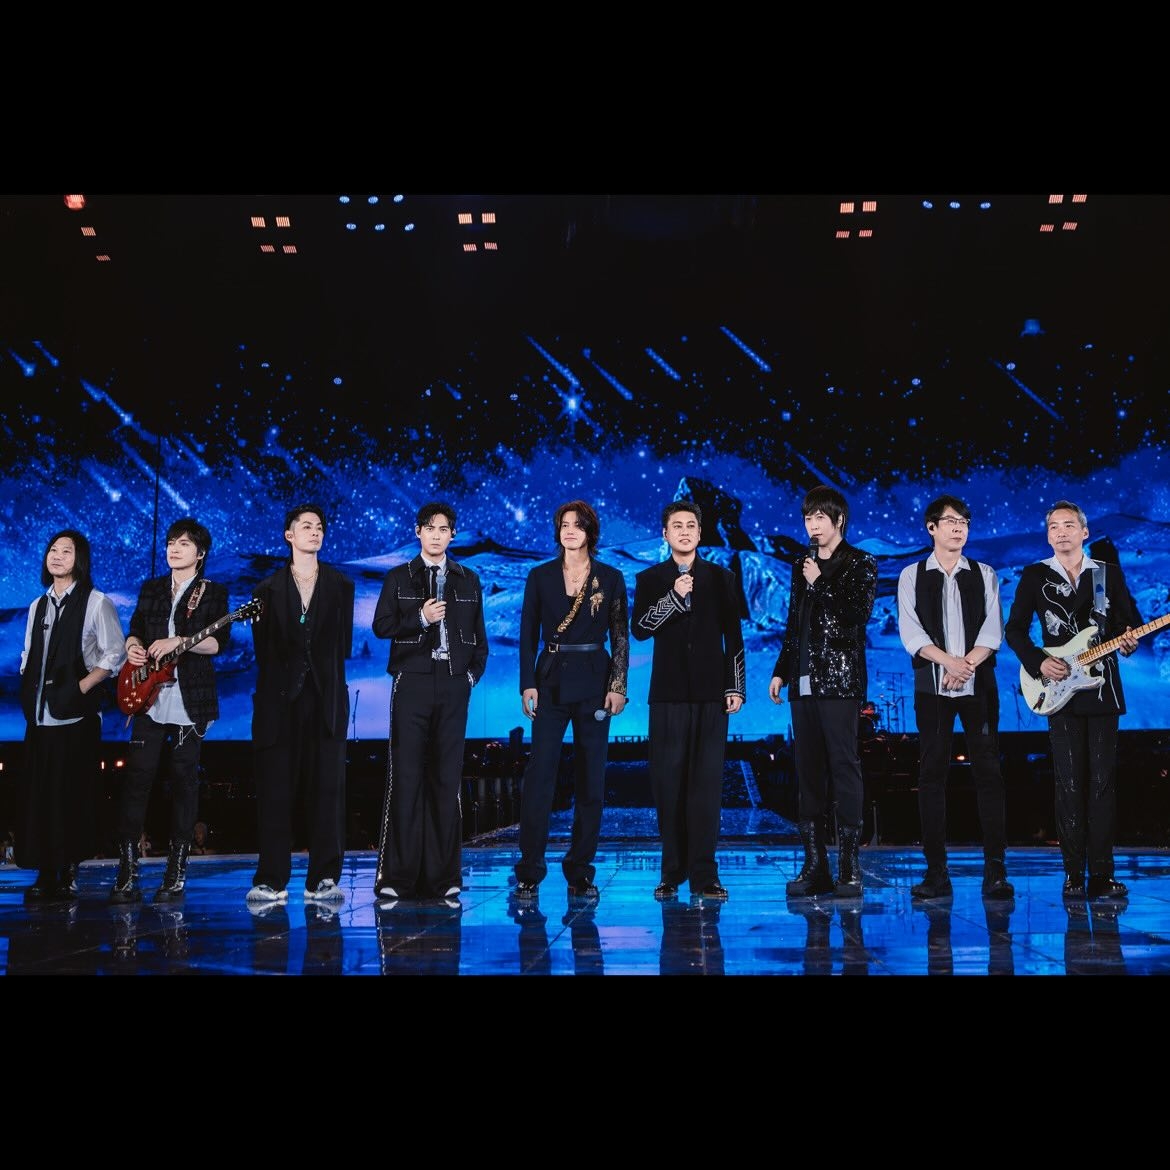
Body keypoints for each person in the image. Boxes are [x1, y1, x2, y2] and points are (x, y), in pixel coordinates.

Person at [1005, 500, 1139, 901]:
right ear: (1048, 536)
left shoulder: (1106, 574)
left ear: (1084, 532)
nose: (1060, 532)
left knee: (1102, 784)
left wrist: (1128, 641)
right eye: (1053, 526)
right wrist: (1039, 662)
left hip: (1102, 689)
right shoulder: (1035, 575)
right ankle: (1073, 875)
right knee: (1068, 785)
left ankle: (1102, 874)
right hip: (1059, 691)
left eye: (1068, 525)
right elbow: (1015, 631)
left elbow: (1126, 624)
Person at [896, 494, 1015, 900]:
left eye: (964, 521)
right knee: (931, 775)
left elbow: (993, 631)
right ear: (931, 527)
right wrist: (949, 662)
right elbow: (911, 633)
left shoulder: (984, 573)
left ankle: (995, 871)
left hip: (979, 686)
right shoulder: (912, 574)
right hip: (932, 688)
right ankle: (936, 873)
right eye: (950, 521)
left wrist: (965, 666)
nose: (959, 527)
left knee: (989, 773)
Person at [511, 500, 629, 903]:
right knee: (539, 776)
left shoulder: (610, 577)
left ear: (590, 532)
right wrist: (527, 683)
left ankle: (580, 871)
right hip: (550, 681)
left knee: (591, 779)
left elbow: (620, 635)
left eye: (578, 525)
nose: (570, 531)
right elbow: (528, 633)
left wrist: (618, 685)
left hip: (595, 681)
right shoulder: (539, 576)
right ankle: (529, 871)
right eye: (564, 525)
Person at [109, 518, 229, 904]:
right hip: (149, 697)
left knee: (184, 783)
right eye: (171, 543)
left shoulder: (213, 592)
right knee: (137, 780)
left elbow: (217, 643)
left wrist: (181, 641)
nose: (174, 549)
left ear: (201, 553)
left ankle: (176, 870)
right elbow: (136, 628)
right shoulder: (152, 588)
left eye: (184, 543)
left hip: (190, 700)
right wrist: (132, 646)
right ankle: (128, 869)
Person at [372, 501, 488, 902]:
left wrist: (469, 678)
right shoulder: (398, 577)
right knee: (405, 777)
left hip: (454, 683)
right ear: (417, 531)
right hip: (413, 680)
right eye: (430, 528)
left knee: (446, 779)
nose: (436, 535)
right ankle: (397, 877)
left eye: (444, 529)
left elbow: (480, 640)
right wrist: (420, 618)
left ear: (452, 535)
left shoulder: (468, 579)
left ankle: (443, 878)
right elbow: (381, 625)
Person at [631, 500, 745, 902]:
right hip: (667, 695)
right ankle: (671, 872)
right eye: (676, 525)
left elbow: (734, 636)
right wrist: (674, 598)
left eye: (691, 525)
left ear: (700, 532)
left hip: (712, 696)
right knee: (668, 785)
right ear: (665, 534)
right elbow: (641, 629)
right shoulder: (650, 578)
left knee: (706, 787)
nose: (684, 531)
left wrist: (735, 687)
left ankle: (705, 875)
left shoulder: (722, 578)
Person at [768, 484, 877, 899]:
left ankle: (849, 866)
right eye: (807, 518)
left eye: (819, 518)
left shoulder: (860, 562)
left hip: (840, 681)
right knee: (808, 772)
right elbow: (794, 624)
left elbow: (856, 617)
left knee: (844, 767)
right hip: (802, 681)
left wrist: (820, 584)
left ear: (839, 521)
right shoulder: (802, 564)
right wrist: (781, 671)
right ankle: (815, 865)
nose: (812, 525)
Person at [246, 504, 355, 906]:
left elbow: (342, 646)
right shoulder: (266, 590)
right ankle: (271, 880)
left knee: (327, 792)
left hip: (325, 701)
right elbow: (264, 652)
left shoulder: (341, 585)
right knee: (275, 792)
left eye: (319, 526)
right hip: (279, 703)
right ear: (288, 535)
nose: (315, 531)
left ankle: (323, 879)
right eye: (306, 526)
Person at [18, 529, 124, 901]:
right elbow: (28, 653)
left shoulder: (96, 602)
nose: (57, 555)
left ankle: (67, 870)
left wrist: (81, 686)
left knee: (70, 796)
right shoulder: (38, 605)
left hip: (75, 718)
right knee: (40, 797)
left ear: (80, 560)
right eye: (53, 549)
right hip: (39, 717)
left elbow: (114, 654)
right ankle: (45, 871)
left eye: (67, 550)